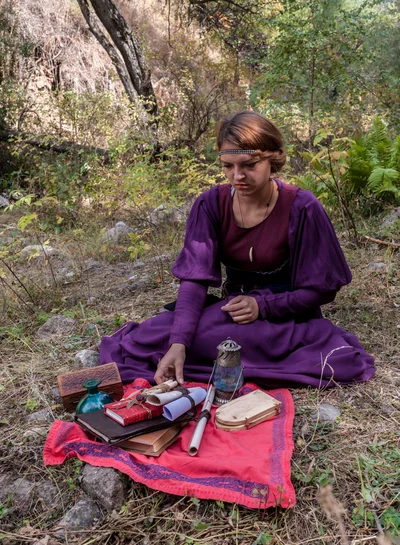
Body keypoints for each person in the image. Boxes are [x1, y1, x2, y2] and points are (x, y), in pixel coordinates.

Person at [100, 111, 375, 389]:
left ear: (273, 158)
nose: (237, 175)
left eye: (249, 164)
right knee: (154, 336)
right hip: (230, 311)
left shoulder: (302, 208)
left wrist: (263, 305)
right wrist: (179, 342)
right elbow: (195, 279)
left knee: (332, 359)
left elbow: (323, 290)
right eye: (228, 166)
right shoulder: (210, 205)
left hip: (286, 317)